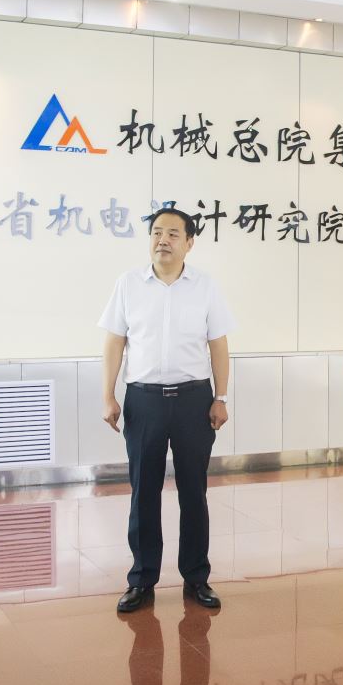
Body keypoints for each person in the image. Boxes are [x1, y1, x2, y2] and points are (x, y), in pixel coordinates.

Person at [101, 208, 232, 614]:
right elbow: (115, 342)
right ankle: (141, 580)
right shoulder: (128, 284)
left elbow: (218, 345)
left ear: (189, 243)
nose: (163, 240)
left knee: (194, 491)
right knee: (144, 491)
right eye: (157, 232)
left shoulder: (205, 287)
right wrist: (108, 395)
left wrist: (222, 397)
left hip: (194, 400)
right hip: (144, 401)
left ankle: (196, 577)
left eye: (173, 234)